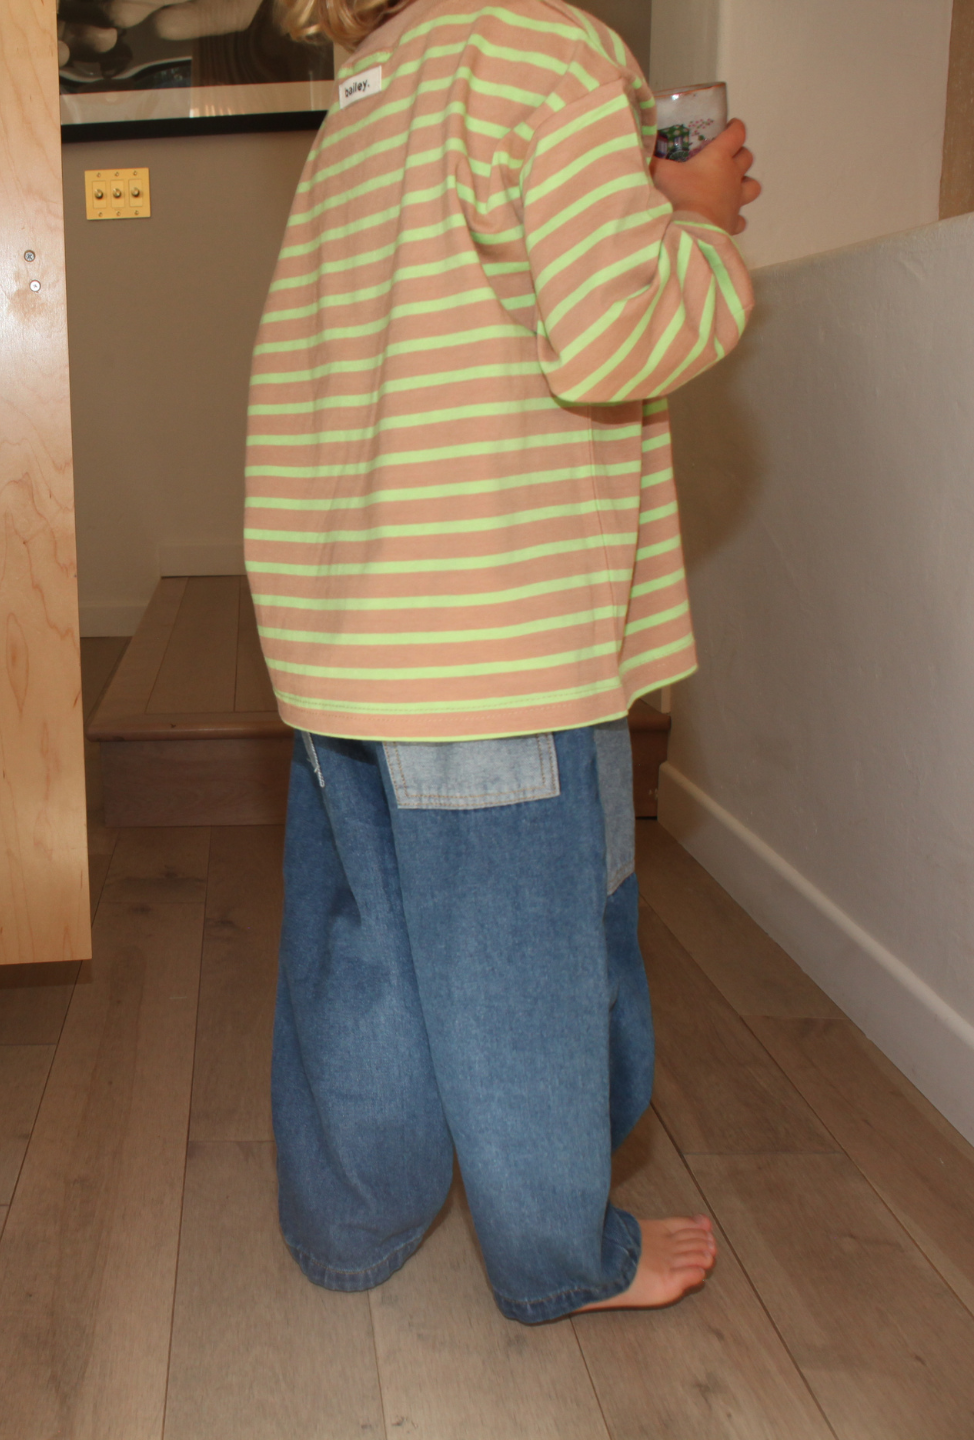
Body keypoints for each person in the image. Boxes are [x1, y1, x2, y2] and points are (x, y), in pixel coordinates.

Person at [245, 0, 759, 1323]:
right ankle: (558, 1260)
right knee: (526, 983)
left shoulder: (365, 94)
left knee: (373, 957)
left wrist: (625, 193)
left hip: (352, 646)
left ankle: (349, 1227)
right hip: (499, 650)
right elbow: (604, 338)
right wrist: (696, 224)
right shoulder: (549, 51)